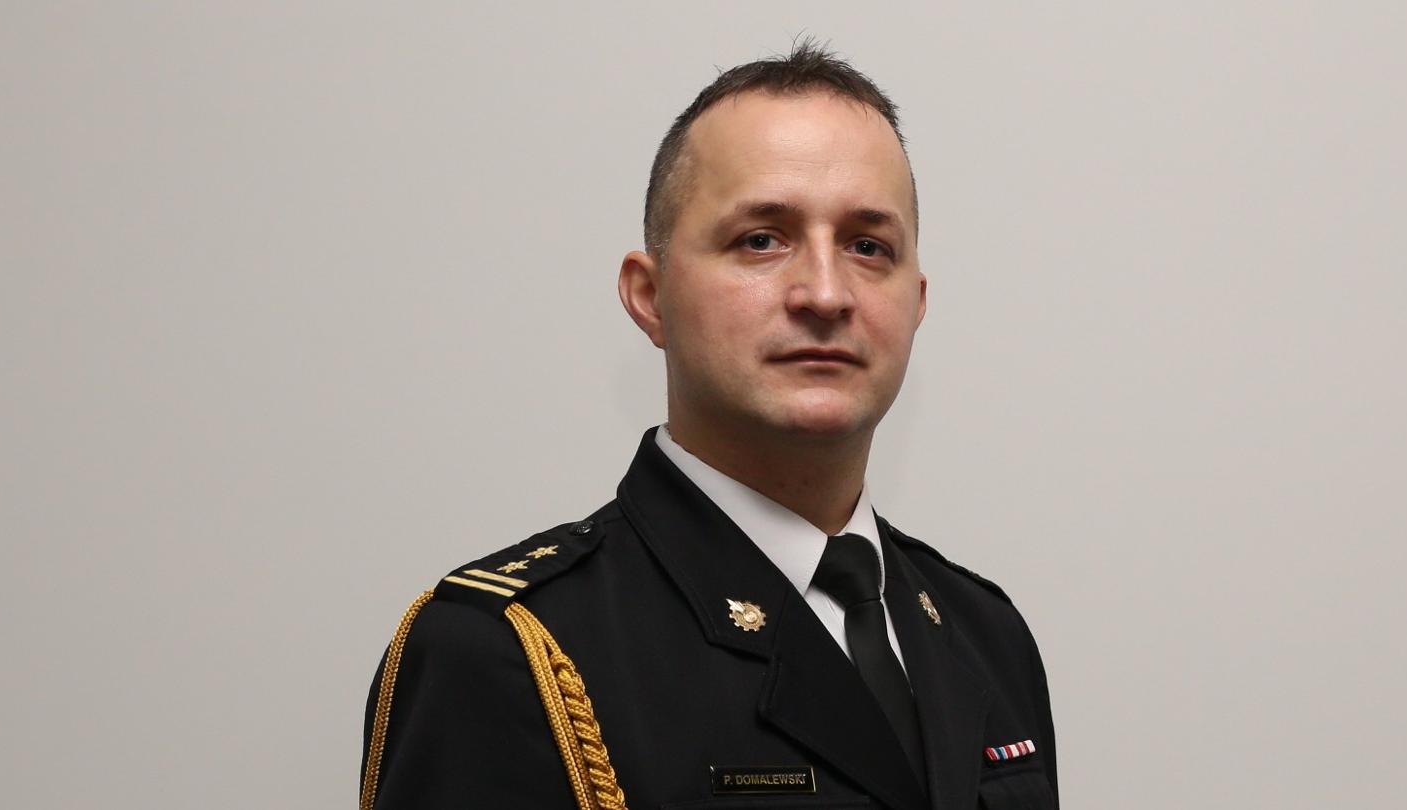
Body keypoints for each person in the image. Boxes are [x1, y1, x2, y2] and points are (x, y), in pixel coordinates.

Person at [360, 42, 1059, 810]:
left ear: (916, 303)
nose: (826, 294)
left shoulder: (984, 635)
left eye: (868, 247)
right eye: (761, 239)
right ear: (650, 296)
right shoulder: (506, 651)